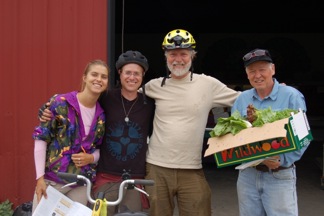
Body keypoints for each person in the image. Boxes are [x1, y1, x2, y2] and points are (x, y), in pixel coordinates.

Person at [38, 51, 155, 215]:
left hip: (134, 177)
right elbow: (78, 102)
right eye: (128, 72)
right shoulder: (105, 97)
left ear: (143, 76)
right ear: (120, 73)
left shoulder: (150, 104)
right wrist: (47, 109)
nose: (132, 77)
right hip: (105, 175)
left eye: (137, 74)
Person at [142, 29, 240, 216]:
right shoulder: (153, 86)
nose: (178, 59)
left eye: (183, 54)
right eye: (173, 54)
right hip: (156, 167)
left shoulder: (208, 84)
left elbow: (242, 99)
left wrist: (275, 91)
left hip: (192, 168)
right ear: (166, 57)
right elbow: (125, 101)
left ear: (192, 56)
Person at [231, 48, 308, 216]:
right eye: (252, 71)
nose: (257, 75)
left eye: (262, 70)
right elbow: (234, 136)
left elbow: (303, 136)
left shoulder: (291, 96)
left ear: (272, 70)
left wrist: (282, 158)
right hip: (248, 176)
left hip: (279, 175)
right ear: (247, 74)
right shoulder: (242, 99)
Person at [32, 59, 109, 213]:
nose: (99, 79)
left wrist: (91, 158)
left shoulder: (101, 115)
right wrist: (39, 178)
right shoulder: (61, 103)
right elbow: (41, 139)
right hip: (52, 182)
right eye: (94, 74)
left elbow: (99, 148)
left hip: (81, 185)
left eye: (104, 76)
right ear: (84, 77)